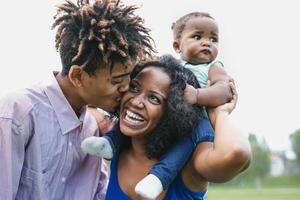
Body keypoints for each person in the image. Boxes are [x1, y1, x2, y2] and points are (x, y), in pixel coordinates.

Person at [0, 0, 154, 199]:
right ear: (77, 77)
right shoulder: (17, 113)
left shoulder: (90, 128)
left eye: (128, 77)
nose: (126, 89)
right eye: (117, 80)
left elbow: (99, 192)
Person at [81, 11, 234, 199]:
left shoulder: (213, 67)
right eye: (197, 36)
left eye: (213, 39)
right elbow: (89, 100)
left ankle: (159, 178)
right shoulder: (172, 68)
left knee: (184, 145)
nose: (206, 42)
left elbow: (234, 151)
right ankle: (110, 143)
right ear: (177, 45)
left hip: (196, 125)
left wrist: (220, 112)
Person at [86, 55, 251, 199]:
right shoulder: (115, 143)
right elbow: (82, 93)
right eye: (134, 88)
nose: (136, 102)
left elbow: (236, 152)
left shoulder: (189, 162)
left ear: (174, 111)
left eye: (154, 98)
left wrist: (220, 113)